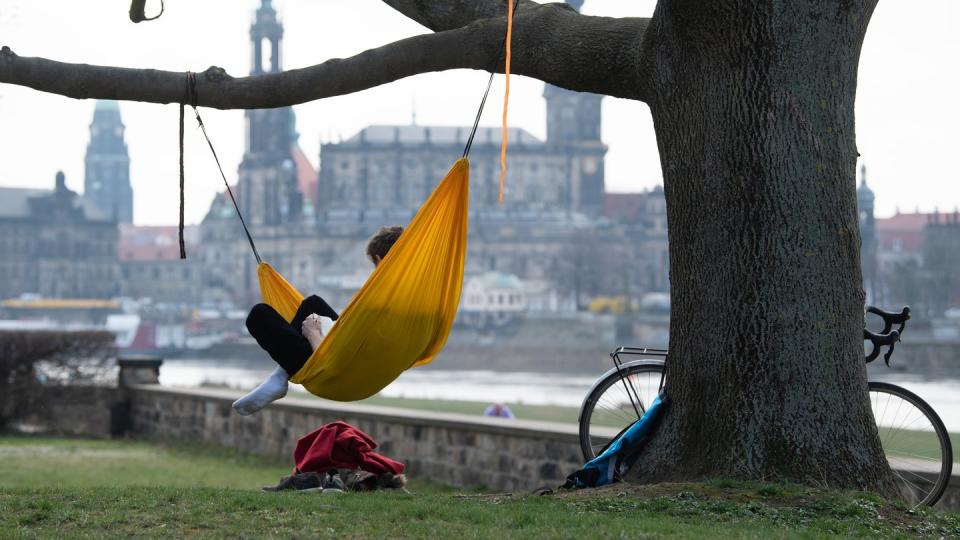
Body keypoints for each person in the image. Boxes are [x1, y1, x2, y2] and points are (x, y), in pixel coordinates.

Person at [232, 226, 403, 415]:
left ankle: (280, 376)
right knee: (312, 303)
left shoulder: (375, 301)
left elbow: (336, 362)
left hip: (338, 373)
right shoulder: (408, 297)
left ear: (379, 260)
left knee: (258, 316)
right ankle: (281, 375)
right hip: (359, 367)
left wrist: (314, 335)